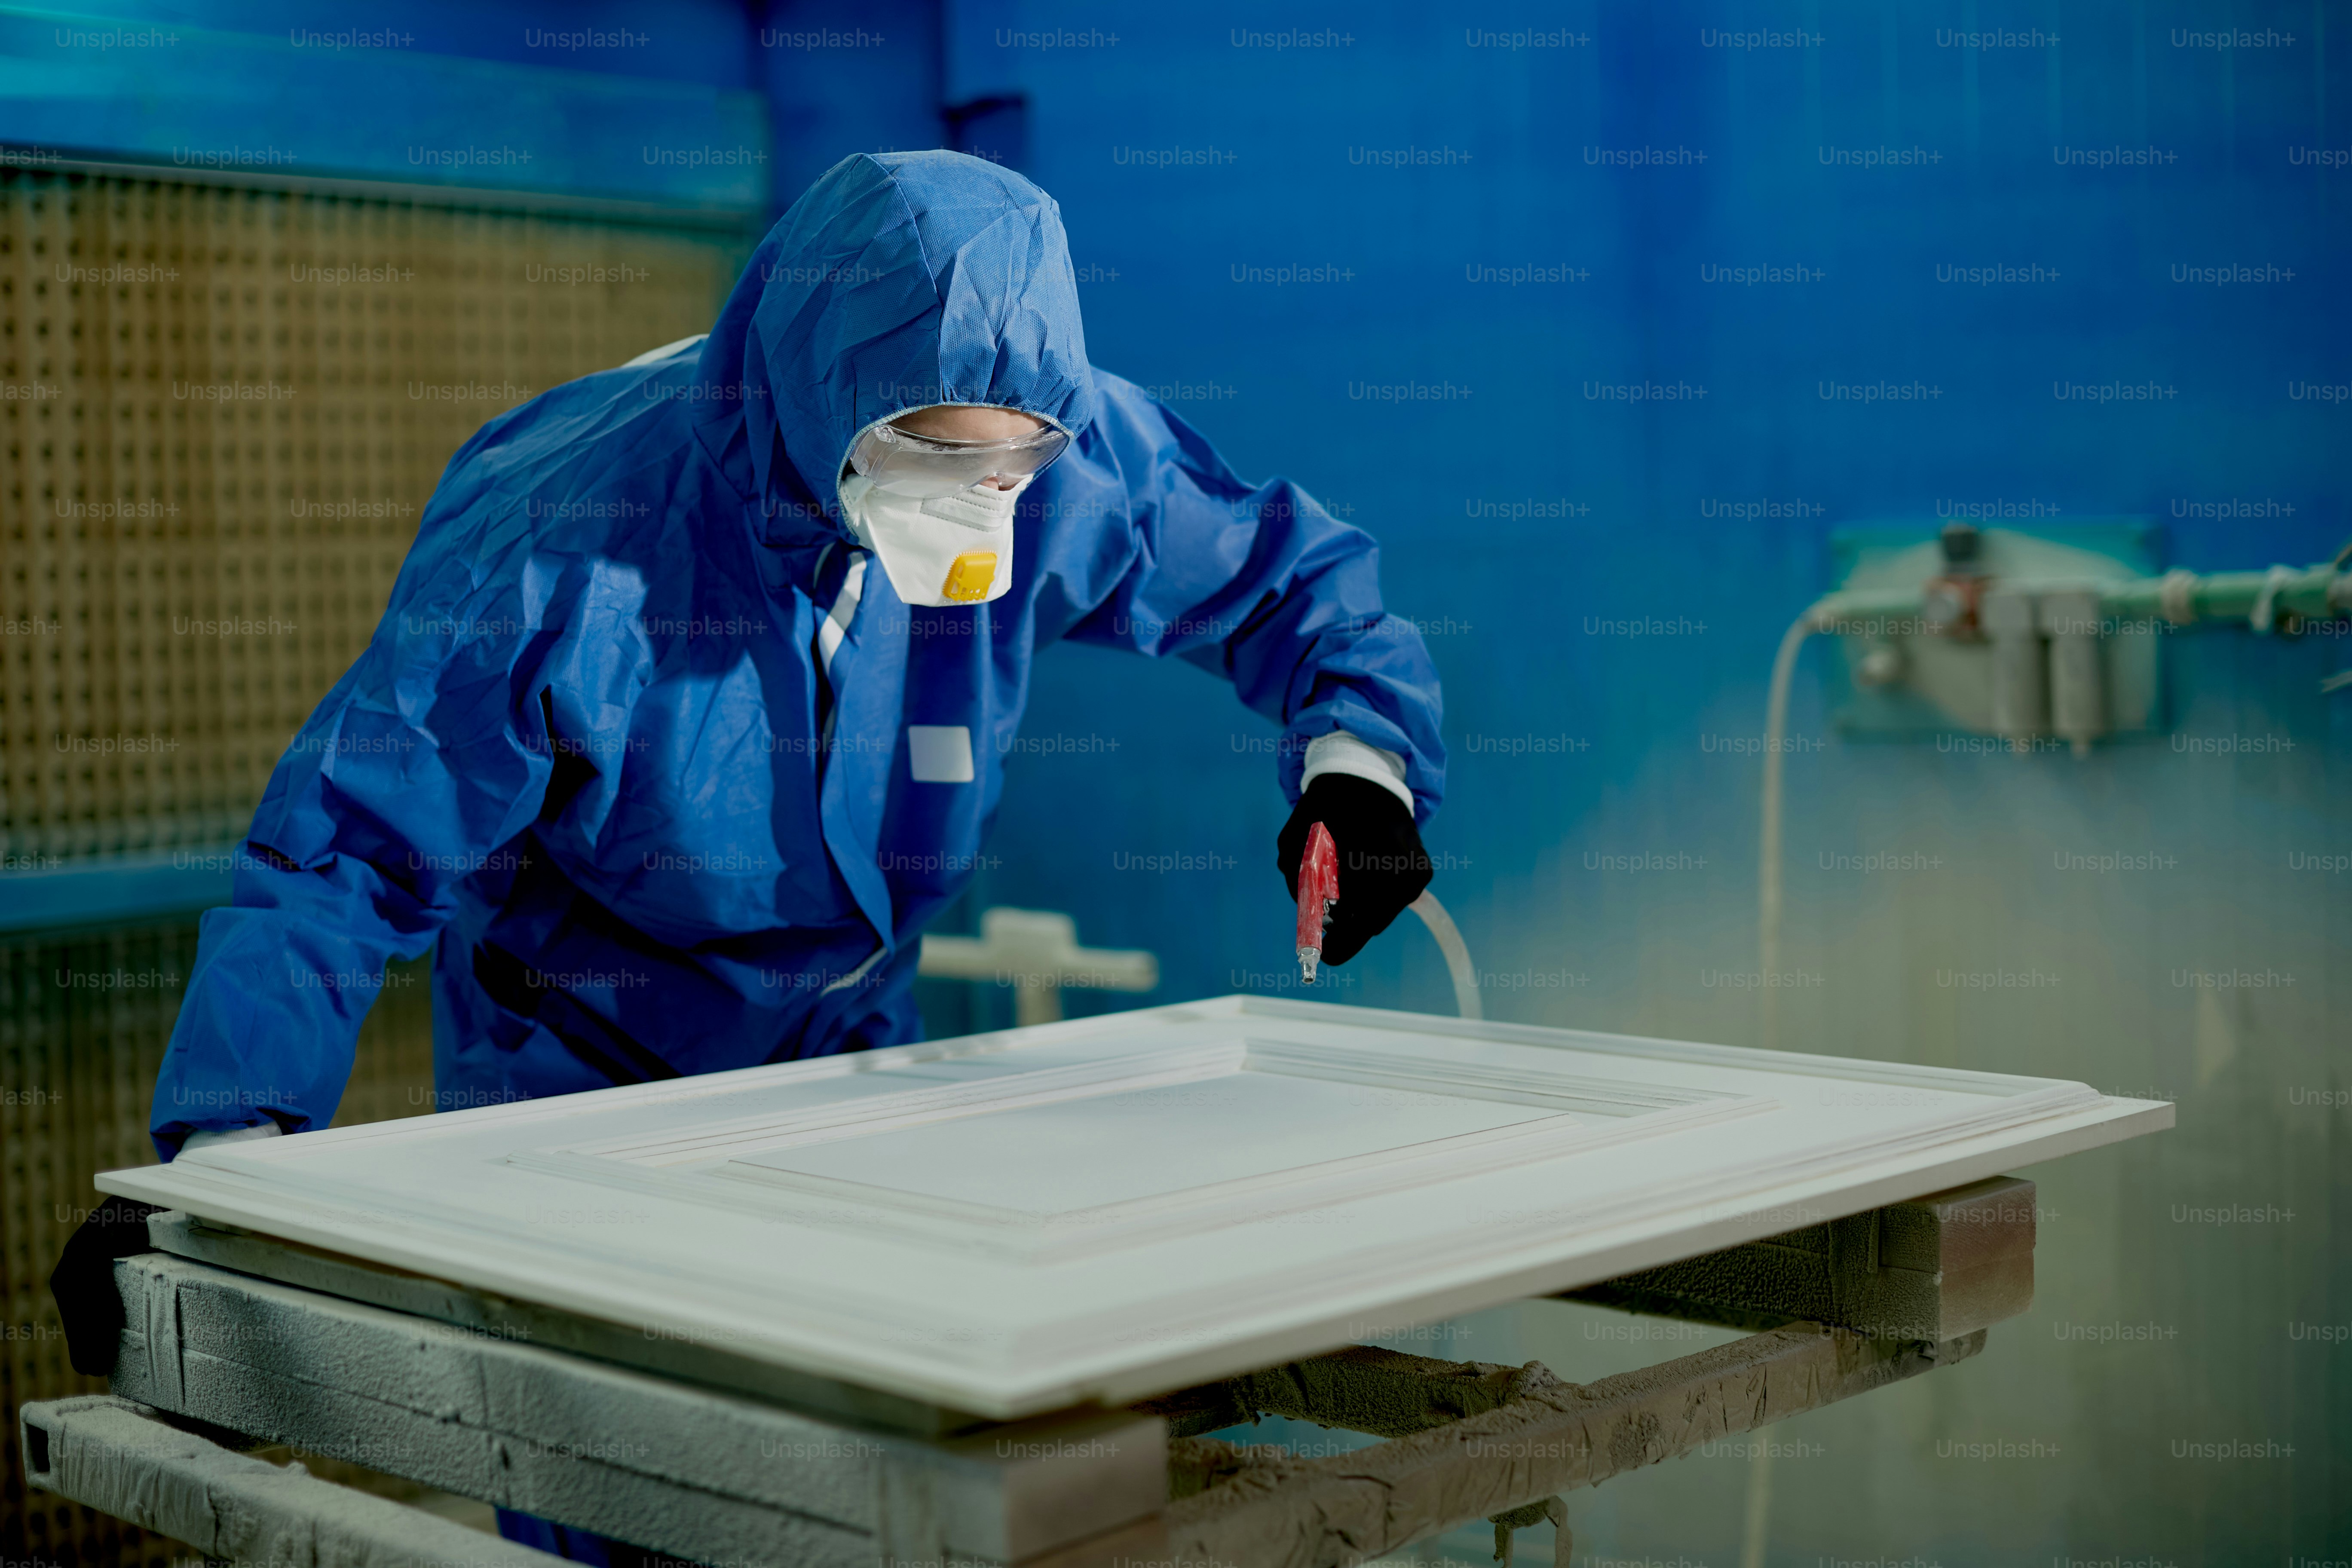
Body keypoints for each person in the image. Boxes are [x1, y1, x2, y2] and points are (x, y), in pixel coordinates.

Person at [51, 152, 1445, 1554]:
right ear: (826, 389)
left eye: (1012, 461)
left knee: (862, 1482)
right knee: (630, 1479)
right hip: (585, 1085)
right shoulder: (565, 538)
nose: (980, 507)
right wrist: (219, 1170)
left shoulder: (1055, 462)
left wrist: (1361, 774)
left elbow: (1295, 586)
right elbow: (349, 852)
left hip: (846, 1052)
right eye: (935, 455)